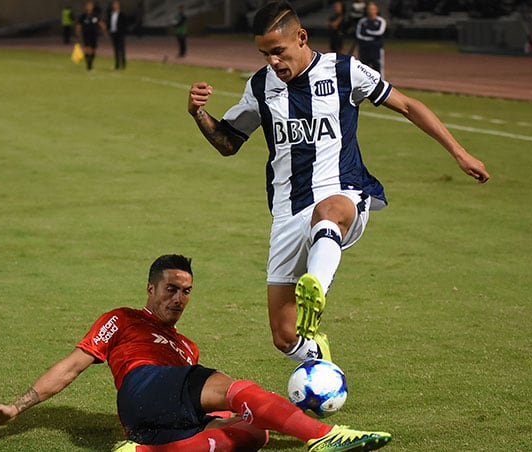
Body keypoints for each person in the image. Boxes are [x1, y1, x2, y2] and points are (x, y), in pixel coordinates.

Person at [187, 1, 489, 364]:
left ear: (301, 37)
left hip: (342, 192)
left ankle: (315, 286)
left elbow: (408, 105)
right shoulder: (259, 86)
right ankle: (321, 362)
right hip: (286, 213)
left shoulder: (343, 70)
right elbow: (228, 143)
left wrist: (459, 152)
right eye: (264, 54)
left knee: (328, 212)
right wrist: (199, 113)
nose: (272, 62)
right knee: (284, 338)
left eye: (278, 52)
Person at [0, 255, 392, 452]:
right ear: (151, 289)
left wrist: (268, 418)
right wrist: (18, 407)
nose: (179, 298)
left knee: (252, 432)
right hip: (141, 385)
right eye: (171, 289)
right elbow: (72, 366)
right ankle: (324, 437)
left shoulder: (187, 347)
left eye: (186, 291)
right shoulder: (123, 318)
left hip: (153, 423)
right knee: (233, 388)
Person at [356, 2, 387, 76]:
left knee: (378, 66)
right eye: (369, 9)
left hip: (376, 48)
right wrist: (371, 37)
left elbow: (380, 32)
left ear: (376, 10)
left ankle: (381, 84)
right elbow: (359, 35)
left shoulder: (381, 21)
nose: (371, 11)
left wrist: (367, 32)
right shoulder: (362, 21)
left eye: (373, 9)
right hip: (364, 48)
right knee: (363, 67)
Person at [76, 1, 102, 71]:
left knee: (93, 50)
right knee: (88, 49)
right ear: (86, 7)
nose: (89, 7)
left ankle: (90, 63)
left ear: (92, 7)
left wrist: (105, 29)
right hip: (86, 35)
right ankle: (89, 65)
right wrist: (78, 32)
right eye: (88, 5)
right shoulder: (83, 15)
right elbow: (79, 24)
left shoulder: (95, 15)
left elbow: (100, 23)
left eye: (90, 5)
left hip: (94, 35)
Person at [108, 1, 128, 70]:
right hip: (114, 33)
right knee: (116, 49)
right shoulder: (111, 14)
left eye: (116, 4)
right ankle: (117, 65)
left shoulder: (122, 14)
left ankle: (123, 64)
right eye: (114, 5)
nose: (114, 6)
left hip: (120, 34)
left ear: (119, 6)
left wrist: (123, 32)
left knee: (121, 49)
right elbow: (110, 23)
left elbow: (125, 24)